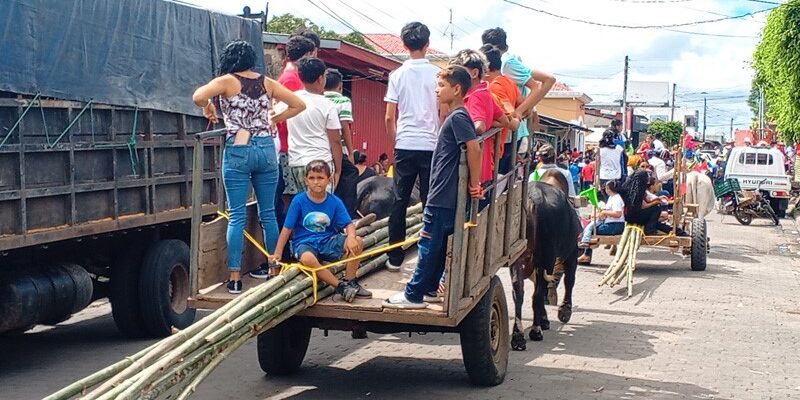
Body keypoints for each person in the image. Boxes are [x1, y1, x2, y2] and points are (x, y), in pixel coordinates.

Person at [192, 40, 305, 294]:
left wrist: (209, 107)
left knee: (237, 215)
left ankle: (234, 277)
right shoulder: (267, 82)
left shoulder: (227, 81)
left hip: (239, 146)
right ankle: (273, 268)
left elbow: (198, 96)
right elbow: (299, 104)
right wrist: (276, 117)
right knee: (268, 214)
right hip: (266, 147)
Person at [383, 65, 483, 309]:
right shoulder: (456, 116)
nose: (436, 91)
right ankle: (429, 289)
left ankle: (413, 294)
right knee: (438, 246)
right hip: (446, 196)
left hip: (442, 196)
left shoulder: (458, 117)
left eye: (441, 86)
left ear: (457, 89)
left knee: (428, 244)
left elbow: (474, 148)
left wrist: (475, 184)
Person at [270, 160, 372, 303]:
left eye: (320, 178)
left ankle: (350, 280)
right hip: (305, 244)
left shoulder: (335, 201)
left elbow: (348, 224)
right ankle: (340, 286)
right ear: (306, 180)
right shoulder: (299, 201)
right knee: (307, 259)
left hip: (328, 241)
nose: (316, 182)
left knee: (358, 241)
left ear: (329, 180)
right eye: (312, 178)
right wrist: (278, 253)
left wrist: (351, 237)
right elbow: (287, 229)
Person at [384, 22, 441, 272]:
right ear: (427, 45)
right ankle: (427, 254)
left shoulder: (397, 75)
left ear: (404, 45)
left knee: (400, 200)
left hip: (405, 143)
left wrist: (395, 141)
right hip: (431, 144)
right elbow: (444, 110)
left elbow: (389, 116)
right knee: (430, 201)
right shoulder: (439, 75)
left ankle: (395, 256)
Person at [481, 28, 555, 174]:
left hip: (509, 131)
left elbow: (547, 80)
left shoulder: (507, 64)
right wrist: (528, 108)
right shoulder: (505, 68)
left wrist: (520, 112)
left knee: (497, 175)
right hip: (508, 130)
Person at [448, 49, 514, 187]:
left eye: (459, 72)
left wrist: (463, 127)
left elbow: (479, 127)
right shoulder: (486, 93)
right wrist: (490, 121)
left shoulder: (474, 97)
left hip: (471, 170)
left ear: (474, 73)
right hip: (484, 169)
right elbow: (505, 121)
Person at [275, 33, 319, 229]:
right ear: (305, 56)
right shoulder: (291, 79)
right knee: (292, 199)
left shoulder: (292, 77)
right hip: (290, 146)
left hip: (295, 145)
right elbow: (284, 116)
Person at [285, 58, 343, 195]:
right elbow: (335, 140)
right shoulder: (327, 105)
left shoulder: (292, 99)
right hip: (321, 163)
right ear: (320, 78)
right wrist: (338, 170)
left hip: (296, 162)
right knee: (322, 209)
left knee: (305, 206)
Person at [324, 68, 359, 218]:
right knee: (351, 172)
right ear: (340, 86)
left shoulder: (319, 98)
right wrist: (351, 152)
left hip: (321, 145)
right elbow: (345, 127)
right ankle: (347, 215)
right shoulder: (343, 100)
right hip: (337, 147)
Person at [577, 180, 625, 264]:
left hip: (614, 226)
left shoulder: (617, 198)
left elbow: (618, 213)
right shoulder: (611, 198)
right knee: (590, 226)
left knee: (590, 230)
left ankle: (586, 255)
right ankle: (585, 254)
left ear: (609, 189)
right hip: (610, 224)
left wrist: (604, 212)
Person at [598, 129, 624, 201]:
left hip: (604, 177)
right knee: (616, 199)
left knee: (606, 201)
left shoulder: (600, 150)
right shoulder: (619, 148)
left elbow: (597, 166)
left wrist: (596, 181)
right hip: (616, 178)